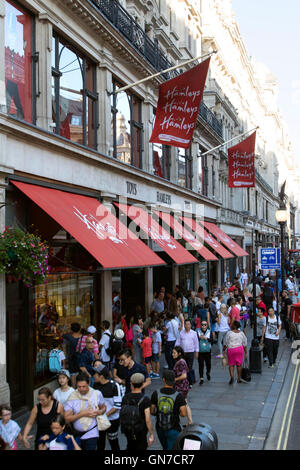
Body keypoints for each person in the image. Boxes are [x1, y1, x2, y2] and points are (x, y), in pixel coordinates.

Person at [64, 373, 106, 450]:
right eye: (79, 387)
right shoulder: (72, 396)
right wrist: (82, 414)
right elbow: (66, 419)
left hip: (92, 432)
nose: (82, 389)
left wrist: (100, 412)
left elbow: (103, 407)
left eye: (84, 386)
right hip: (76, 433)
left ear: (89, 383)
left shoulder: (97, 394)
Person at [150, 370, 187, 450]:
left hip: (160, 427)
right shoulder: (178, 396)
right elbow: (184, 414)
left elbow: (152, 411)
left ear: (163, 380)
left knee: (165, 447)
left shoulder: (156, 393)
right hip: (173, 428)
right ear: (174, 380)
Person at [120, 373, 154, 451]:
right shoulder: (145, 399)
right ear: (142, 384)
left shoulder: (125, 398)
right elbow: (148, 419)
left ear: (131, 384)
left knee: (130, 445)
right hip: (141, 430)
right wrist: (151, 434)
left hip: (128, 428)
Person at [93, 366, 122, 451]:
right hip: (100, 419)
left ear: (101, 376)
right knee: (100, 443)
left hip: (112, 420)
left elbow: (117, 406)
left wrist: (104, 415)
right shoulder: (95, 385)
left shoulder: (114, 386)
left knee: (113, 442)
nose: (94, 375)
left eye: (96, 374)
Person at [172, 346, 192, 425]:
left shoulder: (181, 362)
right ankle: (190, 421)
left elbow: (184, 375)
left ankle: (178, 419)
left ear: (179, 353)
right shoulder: (179, 361)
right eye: (172, 352)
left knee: (179, 403)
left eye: (174, 353)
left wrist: (175, 380)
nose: (172, 354)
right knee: (185, 403)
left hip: (181, 387)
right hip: (181, 386)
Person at [175, 319, 199, 386]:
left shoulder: (194, 333)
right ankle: (185, 381)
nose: (187, 326)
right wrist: (176, 350)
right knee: (183, 368)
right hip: (183, 353)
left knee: (189, 367)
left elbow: (196, 343)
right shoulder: (181, 333)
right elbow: (178, 342)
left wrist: (197, 352)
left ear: (191, 325)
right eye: (186, 324)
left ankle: (190, 382)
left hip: (191, 352)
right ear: (184, 325)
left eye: (189, 324)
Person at [62, 322, 83, 387]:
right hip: (81, 358)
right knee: (81, 375)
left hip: (72, 358)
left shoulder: (69, 337)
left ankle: (74, 390)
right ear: (79, 329)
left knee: (73, 375)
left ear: (71, 329)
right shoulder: (82, 337)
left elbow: (62, 334)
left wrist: (67, 328)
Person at [197, 321, 212, 385]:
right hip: (200, 351)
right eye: (202, 325)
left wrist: (207, 338)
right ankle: (201, 378)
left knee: (208, 364)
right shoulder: (198, 332)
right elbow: (195, 340)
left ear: (207, 326)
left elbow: (212, 340)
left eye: (205, 325)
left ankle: (208, 372)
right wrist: (199, 338)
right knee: (201, 364)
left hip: (208, 351)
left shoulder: (209, 331)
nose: (203, 326)